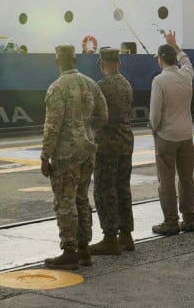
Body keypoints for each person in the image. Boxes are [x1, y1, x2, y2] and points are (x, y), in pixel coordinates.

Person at [41, 44, 108, 269]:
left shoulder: (57, 88)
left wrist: (45, 156)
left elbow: (52, 127)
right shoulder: (91, 84)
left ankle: (69, 251)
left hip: (66, 155)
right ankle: (84, 250)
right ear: (75, 60)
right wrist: (88, 133)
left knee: (65, 201)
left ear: (57, 61)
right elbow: (103, 116)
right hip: (87, 151)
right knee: (81, 199)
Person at [88, 47, 135, 255]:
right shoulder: (126, 84)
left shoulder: (101, 87)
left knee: (104, 190)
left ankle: (109, 237)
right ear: (119, 63)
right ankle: (126, 235)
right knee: (123, 188)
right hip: (126, 143)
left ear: (101, 63)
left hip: (107, 146)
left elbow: (95, 117)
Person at [149, 30, 194, 235]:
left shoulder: (159, 81)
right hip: (187, 135)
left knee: (166, 179)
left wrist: (155, 130)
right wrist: (175, 45)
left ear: (160, 60)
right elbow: (186, 61)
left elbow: (154, 115)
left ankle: (170, 222)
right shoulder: (187, 75)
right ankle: (189, 220)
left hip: (167, 136)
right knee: (186, 178)